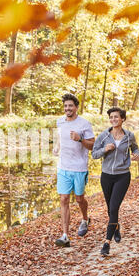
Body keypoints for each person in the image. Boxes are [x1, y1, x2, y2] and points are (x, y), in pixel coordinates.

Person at [91, 107, 139, 256]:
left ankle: (106, 243)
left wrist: (137, 155)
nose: (113, 119)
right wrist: (105, 149)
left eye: (116, 117)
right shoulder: (104, 136)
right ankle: (116, 227)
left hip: (122, 176)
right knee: (110, 209)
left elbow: (136, 148)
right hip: (106, 176)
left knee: (113, 208)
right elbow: (94, 154)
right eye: (111, 117)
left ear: (122, 119)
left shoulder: (129, 136)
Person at [53, 93, 95, 247]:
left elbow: (92, 145)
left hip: (79, 167)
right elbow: (60, 136)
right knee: (64, 199)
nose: (67, 108)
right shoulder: (60, 122)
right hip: (63, 166)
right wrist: (57, 146)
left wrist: (80, 139)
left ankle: (85, 219)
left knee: (79, 199)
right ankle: (65, 235)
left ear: (76, 107)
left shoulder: (84, 124)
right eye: (65, 106)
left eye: (70, 106)